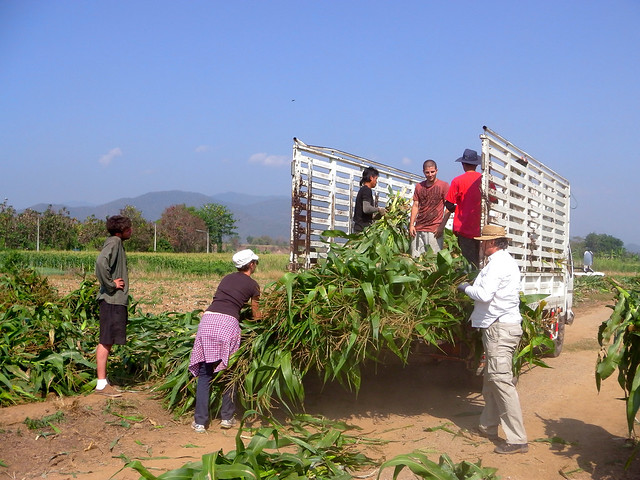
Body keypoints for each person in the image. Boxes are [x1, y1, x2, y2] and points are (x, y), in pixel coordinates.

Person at [457, 225, 528, 454]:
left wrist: (466, 288)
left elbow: (484, 294)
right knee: (491, 380)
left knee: (501, 381)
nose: (481, 244)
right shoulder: (503, 262)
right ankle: (487, 426)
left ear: (491, 243)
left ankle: (517, 439)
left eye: (483, 241)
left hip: (500, 328)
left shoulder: (498, 265)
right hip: (498, 327)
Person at [188, 249, 262, 432]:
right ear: (251, 264)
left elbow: (220, 300)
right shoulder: (254, 285)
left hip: (208, 320)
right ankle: (227, 418)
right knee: (229, 373)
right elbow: (256, 314)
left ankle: (200, 422)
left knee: (205, 374)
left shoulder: (226, 278)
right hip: (228, 324)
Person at [94, 215, 132, 397]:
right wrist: (111, 284)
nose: (131, 231)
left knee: (108, 340)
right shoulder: (115, 242)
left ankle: (104, 381)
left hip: (114, 301)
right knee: (106, 340)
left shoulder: (116, 242)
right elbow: (101, 262)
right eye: (128, 229)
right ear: (120, 231)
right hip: (111, 300)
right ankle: (101, 384)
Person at [439, 148, 483, 268]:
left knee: (469, 263)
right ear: (476, 165)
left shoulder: (457, 181)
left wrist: (458, 208)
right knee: (482, 261)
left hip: (464, 229)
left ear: (463, 164)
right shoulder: (484, 180)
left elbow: (448, 204)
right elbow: (494, 199)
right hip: (482, 228)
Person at [409, 159, 449, 257]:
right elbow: (415, 205)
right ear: (423, 172)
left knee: (433, 261)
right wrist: (411, 225)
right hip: (419, 228)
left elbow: (448, 208)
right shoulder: (419, 186)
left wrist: (441, 226)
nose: (430, 174)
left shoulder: (444, 186)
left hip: (434, 230)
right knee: (416, 260)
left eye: (432, 172)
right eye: (427, 172)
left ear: (437, 171)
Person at [353, 166, 386, 233]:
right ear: (371, 178)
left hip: (359, 227)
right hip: (362, 230)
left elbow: (362, 212)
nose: (376, 182)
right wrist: (379, 209)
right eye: (376, 179)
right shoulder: (367, 190)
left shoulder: (362, 190)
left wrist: (375, 217)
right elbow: (366, 209)